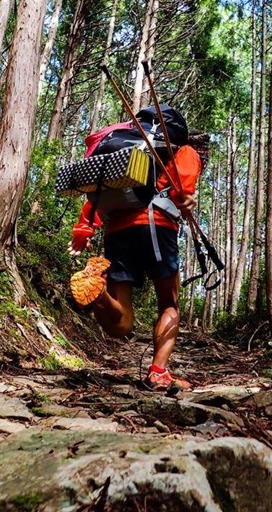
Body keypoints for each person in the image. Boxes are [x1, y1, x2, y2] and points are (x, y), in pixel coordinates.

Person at [67, 139, 203, 392]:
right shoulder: (183, 150)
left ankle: (100, 292)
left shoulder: (127, 152)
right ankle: (158, 373)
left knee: (122, 323)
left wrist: (84, 230)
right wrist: (186, 199)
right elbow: (181, 191)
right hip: (157, 227)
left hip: (117, 231)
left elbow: (96, 198)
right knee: (169, 304)